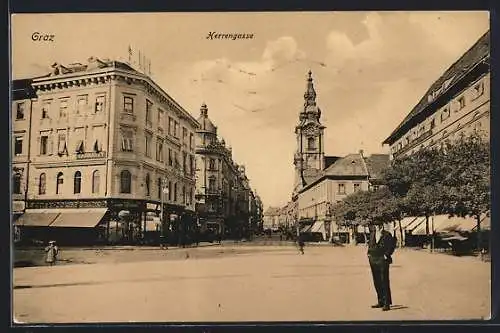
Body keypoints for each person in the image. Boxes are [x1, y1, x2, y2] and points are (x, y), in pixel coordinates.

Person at [367, 223, 396, 311]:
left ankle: (387, 303)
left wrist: (386, 255)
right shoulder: (372, 234)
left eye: (379, 226)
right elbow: (370, 244)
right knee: (377, 281)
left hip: (382, 260)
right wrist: (368, 254)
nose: (377, 227)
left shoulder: (387, 235)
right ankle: (380, 301)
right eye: (375, 226)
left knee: (384, 281)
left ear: (382, 226)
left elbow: (392, 245)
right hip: (373, 260)